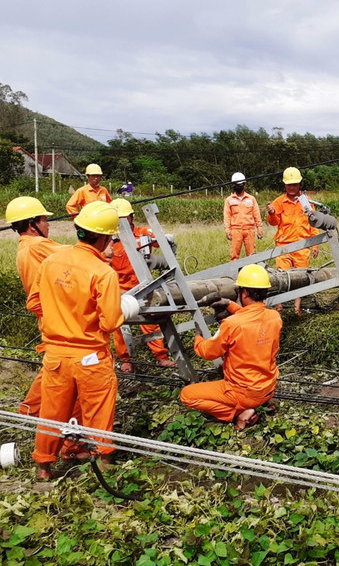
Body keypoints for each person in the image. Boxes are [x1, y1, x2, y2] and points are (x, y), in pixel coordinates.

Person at [27, 201, 128, 479]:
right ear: (106, 237)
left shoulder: (50, 261)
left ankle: (44, 468)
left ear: (78, 229)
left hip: (56, 356)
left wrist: (60, 314)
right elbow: (110, 322)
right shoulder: (103, 272)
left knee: (52, 413)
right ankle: (104, 466)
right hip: (91, 358)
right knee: (98, 412)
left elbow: (34, 302)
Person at [181, 264, 281, 430]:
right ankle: (259, 404)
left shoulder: (232, 324)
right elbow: (251, 316)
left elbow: (208, 352)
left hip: (244, 392)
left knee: (187, 395)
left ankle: (238, 413)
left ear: (245, 292)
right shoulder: (274, 317)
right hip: (268, 387)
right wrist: (229, 304)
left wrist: (198, 338)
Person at [5, 197, 70, 417]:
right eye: (44, 219)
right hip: (57, 316)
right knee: (61, 370)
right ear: (32, 224)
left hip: (49, 316)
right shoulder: (38, 245)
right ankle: (30, 410)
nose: (48, 224)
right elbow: (77, 256)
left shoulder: (24, 248)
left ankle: (29, 410)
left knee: (57, 368)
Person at [110, 198, 176, 372]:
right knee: (119, 325)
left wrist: (164, 238)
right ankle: (125, 359)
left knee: (151, 320)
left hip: (143, 287)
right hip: (120, 289)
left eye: (125, 218)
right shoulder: (110, 241)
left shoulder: (142, 233)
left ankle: (161, 356)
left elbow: (157, 238)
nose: (121, 223)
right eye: (118, 219)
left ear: (132, 217)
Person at [266, 167, 319, 315]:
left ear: (300, 184)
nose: (292, 187)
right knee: (282, 277)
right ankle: (279, 306)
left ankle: (297, 308)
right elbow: (274, 222)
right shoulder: (279, 202)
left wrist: (314, 244)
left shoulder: (307, 202)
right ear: (284, 185)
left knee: (300, 278)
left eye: (294, 184)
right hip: (283, 246)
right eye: (289, 185)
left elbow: (313, 223)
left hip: (303, 246)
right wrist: (271, 213)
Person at [224, 172, 263, 261]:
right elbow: (227, 216)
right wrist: (227, 230)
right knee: (234, 255)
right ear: (233, 185)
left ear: (244, 185)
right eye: (236, 185)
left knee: (252, 256)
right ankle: (233, 273)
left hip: (249, 229)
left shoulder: (251, 199)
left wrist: (259, 228)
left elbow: (257, 214)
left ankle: (250, 273)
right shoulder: (229, 200)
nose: (239, 187)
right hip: (235, 230)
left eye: (240, 185)